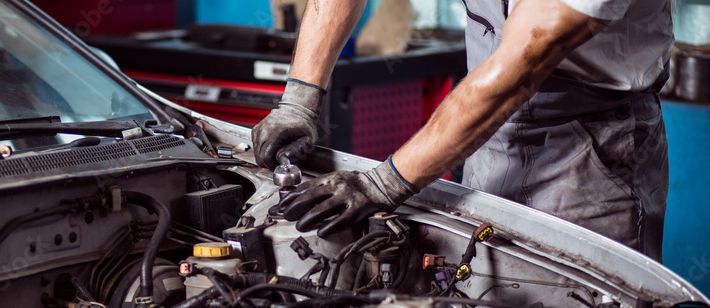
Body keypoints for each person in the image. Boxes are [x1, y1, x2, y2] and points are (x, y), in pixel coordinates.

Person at [252, 0, 672, 261]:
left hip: (588, 152)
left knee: (565, 291)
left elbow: (520, 70)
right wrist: (300, 98)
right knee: (480, 278)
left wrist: (383, 184)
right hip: (486, 131)